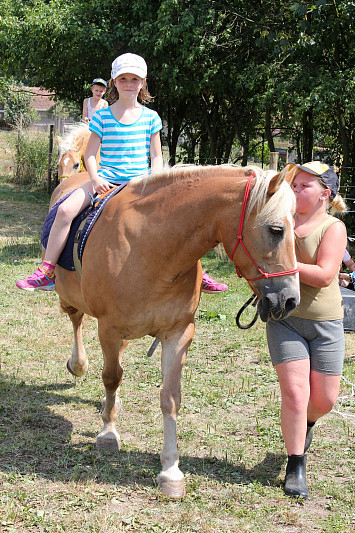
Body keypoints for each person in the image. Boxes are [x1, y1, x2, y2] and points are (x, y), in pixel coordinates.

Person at [16, 53, 226, 294]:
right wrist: (95, 179)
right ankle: (47, 271)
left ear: (143, 83)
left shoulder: (151, 118)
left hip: (141, 183)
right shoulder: (103, 117)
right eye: (123, 78)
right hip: (106, 180)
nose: (129, 83)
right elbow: (90, 155)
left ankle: (199, 273)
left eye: (134, 79)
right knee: (64, 210)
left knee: (180, 220)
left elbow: (156, 156)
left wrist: (155, 181)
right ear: (114, 81)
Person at [266, 161, 347, 499]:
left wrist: (284, 262)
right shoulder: (278, 220)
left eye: (304, 186)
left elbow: (327, 274)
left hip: (326, 322)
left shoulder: (333, 227)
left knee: (324, 400)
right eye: (294, 185)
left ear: (324, 194)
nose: (296, 190)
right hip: (285, 320)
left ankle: (308, 425)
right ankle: (295, 463)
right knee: (296, 395)